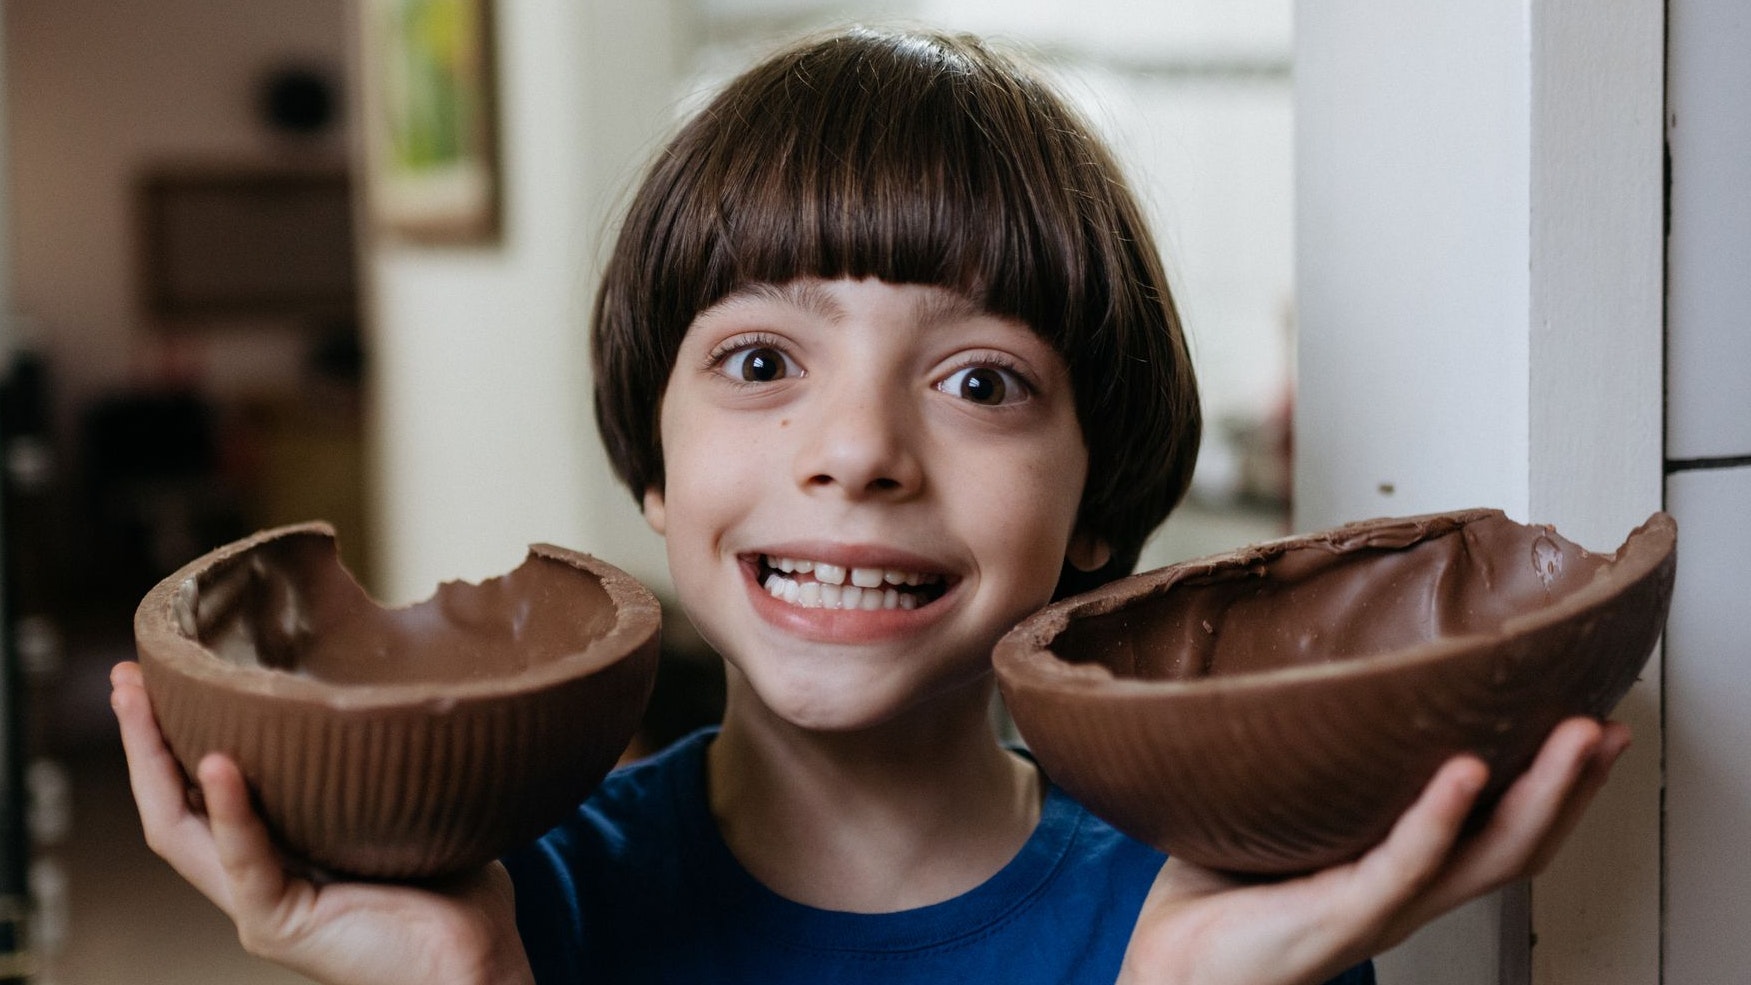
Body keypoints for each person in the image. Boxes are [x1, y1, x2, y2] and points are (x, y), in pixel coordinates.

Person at [110, 26, 1630, 985]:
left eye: (979, 383)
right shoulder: (525, 907)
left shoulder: (1220, 911)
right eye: (762, 359)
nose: (857, 452)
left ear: (1099, 499)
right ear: (651, 464)